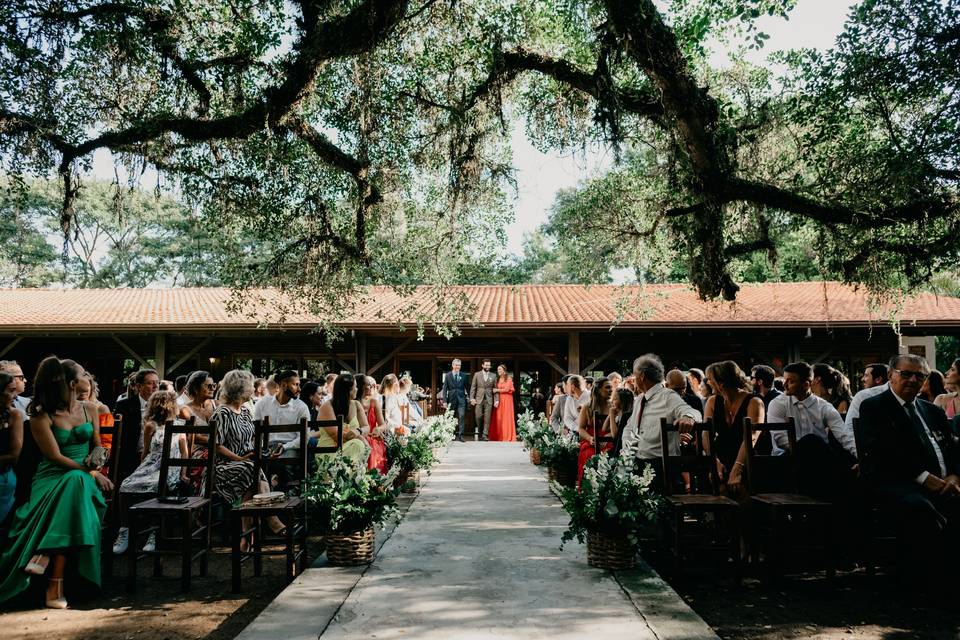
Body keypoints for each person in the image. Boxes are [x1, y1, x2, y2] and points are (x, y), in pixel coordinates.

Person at [0, 357, 112, 609]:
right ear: (72, 383)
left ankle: (45, 555)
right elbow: (55, 457)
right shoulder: (41, 416)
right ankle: (54, 585)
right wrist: (89, 472)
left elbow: (97, 445)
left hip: (82, 478)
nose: (88, 378)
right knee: (74, 482)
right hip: (52, 477)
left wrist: (97, 464)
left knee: (76, 483)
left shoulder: (90, 409)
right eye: (84, 373)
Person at [858, 354, 960, 592]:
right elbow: (883, 452)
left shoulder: (931, 410)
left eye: (920, 376)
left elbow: (953, 448)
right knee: (920, 507)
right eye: (906, 374)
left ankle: (951, 577)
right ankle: (926, 583)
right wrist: (924, 478)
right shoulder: (874, 406)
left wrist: (955, 475)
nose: (913, 380)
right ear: (892, 375)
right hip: (896, 482)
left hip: (945, 483)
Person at [212, 370, 285, 541]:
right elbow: (216, 445)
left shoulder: (245, 411)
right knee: (251, 470)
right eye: (250, 385)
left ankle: (246, 534)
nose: (253, 388)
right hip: (224, 465)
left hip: (246, 462)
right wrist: (238, 458)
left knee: (252, 473)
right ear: (240, 387)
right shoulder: (222, 413)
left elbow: (252, 439)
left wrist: (266, 451)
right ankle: (271, 519)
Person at [767, 362, 857, 499]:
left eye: (790, 381)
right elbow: (780, 440)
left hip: (820, 463)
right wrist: (809, 448)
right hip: (787, 460)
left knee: (842, 459)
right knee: (812, 441)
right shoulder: (777, 404)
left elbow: (845, 436)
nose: (784, 385)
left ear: (806, 384)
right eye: (784, 380)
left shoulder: (823, 407)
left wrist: (861, 457)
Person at [117, 390, 188, 553]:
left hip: (171, 466)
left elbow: (184, 452)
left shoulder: (179, 425)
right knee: (125, 485)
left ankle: (154, 532)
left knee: (157, 486)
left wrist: (184, 473)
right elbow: (145, 451)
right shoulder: (151, 425)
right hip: (151, 464)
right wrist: (140, 469)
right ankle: (124, 530)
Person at [619, 354, 700, 492]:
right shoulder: (639, 399)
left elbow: (692, 411)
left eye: (635, 375)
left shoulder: (668, 396)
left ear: (642, 376)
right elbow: (630, 428)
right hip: (636, 464)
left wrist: (688, 418)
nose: (633, 379)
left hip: (661, 469)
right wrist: (626, 453)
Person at [703, 361, 764, 494]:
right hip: (721, 456)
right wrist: (714, 460)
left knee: (741, 489)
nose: (707, 382)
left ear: (721, 383)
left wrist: (738, 468)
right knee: (716, 481)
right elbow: (706, 434)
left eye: (710, 379)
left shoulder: (754, 402)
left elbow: (752, 437)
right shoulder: (712, 401)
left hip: (746, 456)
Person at [113, 368, 160, 486]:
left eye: (157, 383)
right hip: (132, 456)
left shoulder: (163, 406)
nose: (155, 386)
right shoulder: (124, 405)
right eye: (150, 383)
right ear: (139, 387)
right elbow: (120, 437)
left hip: (157, 456)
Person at [314, 373, 371, 467]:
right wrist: (360, 438)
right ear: (347, 390)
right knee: (358, 445)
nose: (357, 389)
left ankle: (354, 478)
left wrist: (359, 431)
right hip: (330, 451)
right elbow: (336, 436)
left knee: (358, 445)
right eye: (355, 387)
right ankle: (348, 478)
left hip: (350, 448)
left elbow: (366, 427)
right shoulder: (327, 406)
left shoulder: (356, 405)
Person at [576, 376, 612, 484]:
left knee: (609, 454)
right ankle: (588, 487)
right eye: (607, 387)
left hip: (609, 439)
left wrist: (607, 436)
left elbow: (619, 428)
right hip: (591, 439)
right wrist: (590, 438)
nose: (611, 390)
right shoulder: (587, 407)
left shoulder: (614, 406)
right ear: (598, 390)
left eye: (611, 387)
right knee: (589, 454)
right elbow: (581, 428)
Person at [0, 371, 24, 524]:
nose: (15, 396)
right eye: (10, 390)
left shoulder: (14, 415)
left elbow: (14, 455)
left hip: (3, 475)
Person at [358, 374, 388, 473]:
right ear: (360, 386)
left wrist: (379, 429)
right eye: (368, 385)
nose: (372, 387)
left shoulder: (374, 402)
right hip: (358, 437)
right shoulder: (353, 403)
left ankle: (374, 480)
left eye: (372, 385)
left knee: (374, 449)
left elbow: (383, 424)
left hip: (372, 437)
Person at [440, 359, 468, 442]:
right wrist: (444, 401)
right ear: (452, 365)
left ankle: (461, 435)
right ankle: (451, 434)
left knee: (462, 416)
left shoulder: (463, 375)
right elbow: (444, 389)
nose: (457, 367)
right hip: (451, 399)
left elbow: (468, 387)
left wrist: (471, 397)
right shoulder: (448, 375)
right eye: (456, 365)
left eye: (459, 365)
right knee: (451, 417)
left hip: (461, 399)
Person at [469, 359, 496, 441]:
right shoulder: (477, 374)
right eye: (486, 365)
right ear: (483, 365)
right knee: (478, 416)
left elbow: (495, 388)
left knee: (487, 418)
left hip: (489, 399)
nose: (488, 367)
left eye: (489, 365)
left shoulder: (493, 375)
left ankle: (485, 435)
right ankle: (480, 432)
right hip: (478, 398)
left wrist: (496, 400)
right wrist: (472, 398)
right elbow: (473, 387)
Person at [489, 364, 516, 442]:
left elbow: (507, 389)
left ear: (504, 370)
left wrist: (497, 390)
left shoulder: (509, 378)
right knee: (498, 417)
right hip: (499, 400)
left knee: (506, 417)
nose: (498, 371)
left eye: (500, 369)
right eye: (498, 370)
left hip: (507, 400)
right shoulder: (497, 379)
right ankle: (497, 436)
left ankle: (506, 436)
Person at [605, 387, 634, 457]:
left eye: (615, 399)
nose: (612, 401)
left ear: (623, 401)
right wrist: (610, 414)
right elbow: (605, 428)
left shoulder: (626, 416)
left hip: (621, 448)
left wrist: (611, 415)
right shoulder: (619, 414)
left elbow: (615, 435)